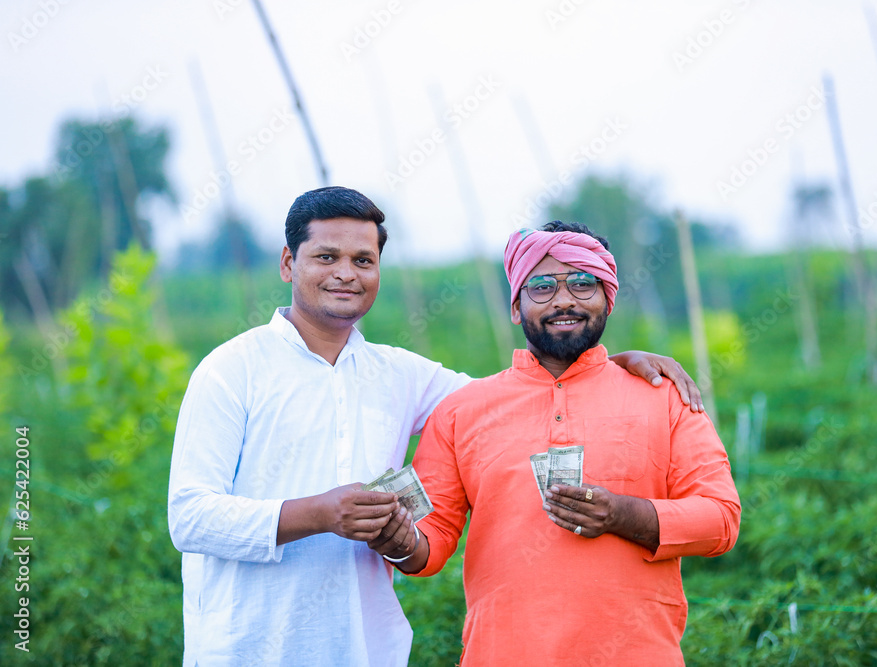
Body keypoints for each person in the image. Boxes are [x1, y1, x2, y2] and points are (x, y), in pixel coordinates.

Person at [167, 187, 704, 667]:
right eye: (325, 257)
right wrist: (319, 513)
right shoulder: (230, 371)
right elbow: (188, 516)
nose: (345, 273)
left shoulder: (400, 373)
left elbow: (519, 397)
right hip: (252, 644)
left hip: (366, 646)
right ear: (288, 263)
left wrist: (609, 362)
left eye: (363, 259)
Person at [380, 221, 741, 666]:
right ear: (516, 306)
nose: (564, 299)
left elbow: (721, 520)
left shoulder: (665, 396)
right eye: (542, 286)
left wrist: (622, 514)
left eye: (583, 283)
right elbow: (430, 543)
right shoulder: (463, 410)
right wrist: (396, 538)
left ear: (608, 296)